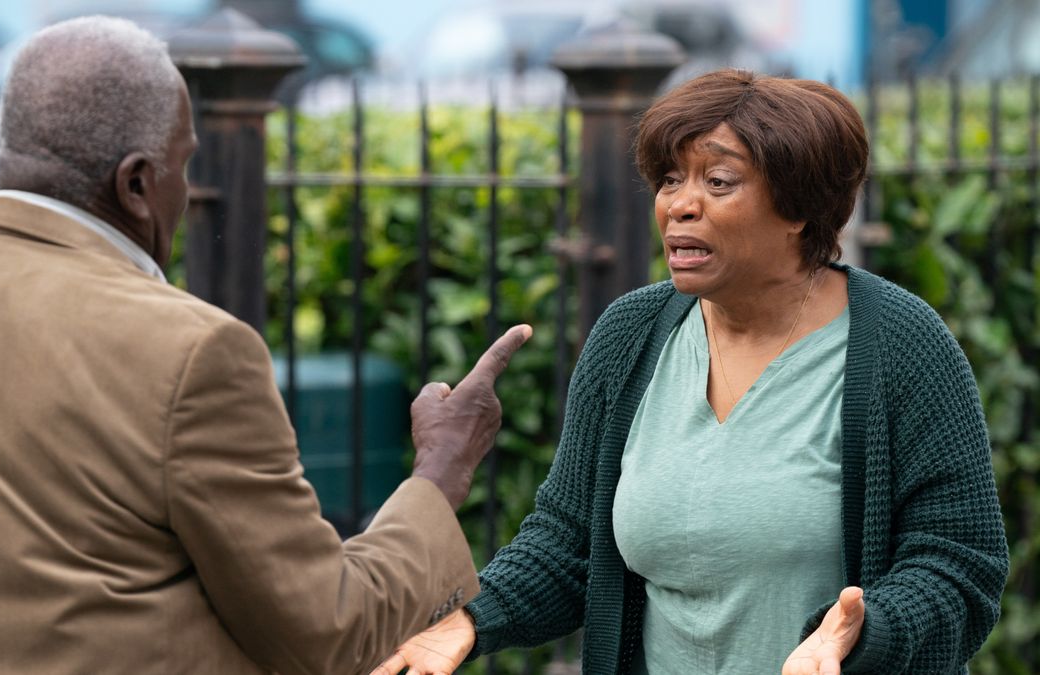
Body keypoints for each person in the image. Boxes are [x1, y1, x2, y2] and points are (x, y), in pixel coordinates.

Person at [0, 16, 531, 675]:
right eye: (184, 164)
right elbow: (328, 628)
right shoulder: (190, 350)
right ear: (137, 183)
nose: (189, 189)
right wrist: (439, 470)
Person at [374, 69, 1009, 674]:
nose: (680, 205)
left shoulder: (901, 344)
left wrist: (867, 633)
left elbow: (959, 566)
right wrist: (471, 616)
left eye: (720, 182)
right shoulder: (631, 336)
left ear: (798, 208)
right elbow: (569, 545)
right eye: (671, 179)